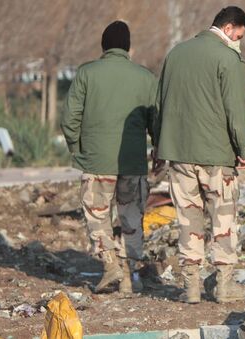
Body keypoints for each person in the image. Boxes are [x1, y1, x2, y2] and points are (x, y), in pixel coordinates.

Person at [153, 6, 245, 304]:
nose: (239, 40)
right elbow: (236, 111)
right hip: (217, 156)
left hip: (179, 154)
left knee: (188, 221)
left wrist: (159, 146)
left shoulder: (176, 54)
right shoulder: (228, 59)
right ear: (230, 26)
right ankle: (223, 287)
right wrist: (244, 150)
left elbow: (159, 105)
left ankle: (191, 288)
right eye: (239, 34)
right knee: (222, 221)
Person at [61, 21, 157, 294]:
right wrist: (157, 149)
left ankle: (109, 263)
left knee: (97, 215)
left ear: (103, 46)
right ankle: (128, 276)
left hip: (96, 160)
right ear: (128, 47)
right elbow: (157, 121)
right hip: (133, 161)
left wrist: (78, 148)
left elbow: (70, 118)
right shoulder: (146, 77)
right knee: (131, 218)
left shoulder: (86, 73)